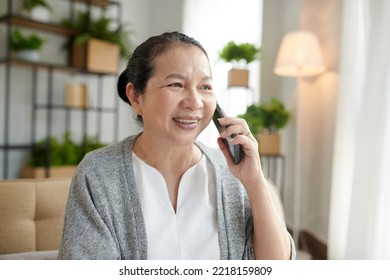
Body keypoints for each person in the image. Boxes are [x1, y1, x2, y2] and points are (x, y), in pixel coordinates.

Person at [58, 31, 296, 260]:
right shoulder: (98, 173)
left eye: (205, 87)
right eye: (176, 85)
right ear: (136, 97)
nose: (195, 102)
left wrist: (254, 180)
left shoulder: (230, 173)